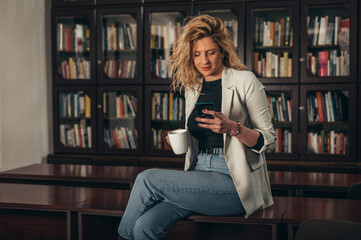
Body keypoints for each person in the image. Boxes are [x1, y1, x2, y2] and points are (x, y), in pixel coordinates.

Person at [118, 15, 276, 240]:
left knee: (146, 179)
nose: (205, 61)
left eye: (210, 52)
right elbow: (197, 136)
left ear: (222, 51)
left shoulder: (245, 80)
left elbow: (268, 139)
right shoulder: (194, 87)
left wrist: (233, 127)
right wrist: (178, 140)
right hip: (197, 175)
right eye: (197, 54)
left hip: (233, 182)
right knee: (144, 226)